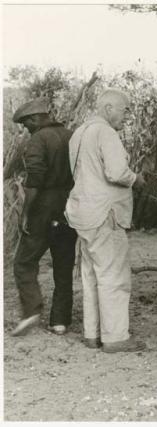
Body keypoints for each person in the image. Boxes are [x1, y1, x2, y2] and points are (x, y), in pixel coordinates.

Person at [65, 88, 146, 353]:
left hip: (83, 212)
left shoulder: (79, 132)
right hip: (105, 214)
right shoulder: (106, 133)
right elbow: (116, 172)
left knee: (91, 275)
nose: (127, 117)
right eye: (124, 110)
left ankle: (92, 334)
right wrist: (137, 178)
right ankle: (115, 337)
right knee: (113, 275)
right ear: (108, 108)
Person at [11, 98, 77, 337]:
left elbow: (35, 180)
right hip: (70, 205)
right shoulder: (73, 135)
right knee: (63, 263)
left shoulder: (38, 140)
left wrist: (26, 213)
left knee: (24, 262)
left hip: (44, 206)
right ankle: (60, 321)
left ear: (35, 119)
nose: (26, 129)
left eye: (26, 124)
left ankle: (31, 310)